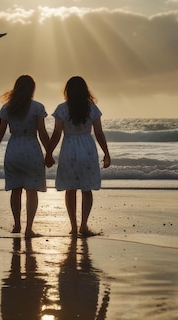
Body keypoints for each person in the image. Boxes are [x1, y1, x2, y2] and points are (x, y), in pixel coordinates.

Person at [45, 76, 111, 237]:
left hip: (69, 149)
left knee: (71, 189)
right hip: (87, 148)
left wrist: (48, 153)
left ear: (68, 91)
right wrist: (107, 153)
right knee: (86, 189)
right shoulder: (92, 108)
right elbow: (99, 133)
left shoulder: (62, 108)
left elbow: (57, 133)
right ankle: (84, 225)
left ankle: (73, 227)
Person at [0, 75, 50, 238]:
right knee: (32, 191)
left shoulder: (7, 108)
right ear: (32, 89)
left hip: (14, 148)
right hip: (31, 147)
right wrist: (49, 152)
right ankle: (29, 228)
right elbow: (42, 132)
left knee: (15, 190)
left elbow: (0, 132)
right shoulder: (37, 107)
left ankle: (17, 225)